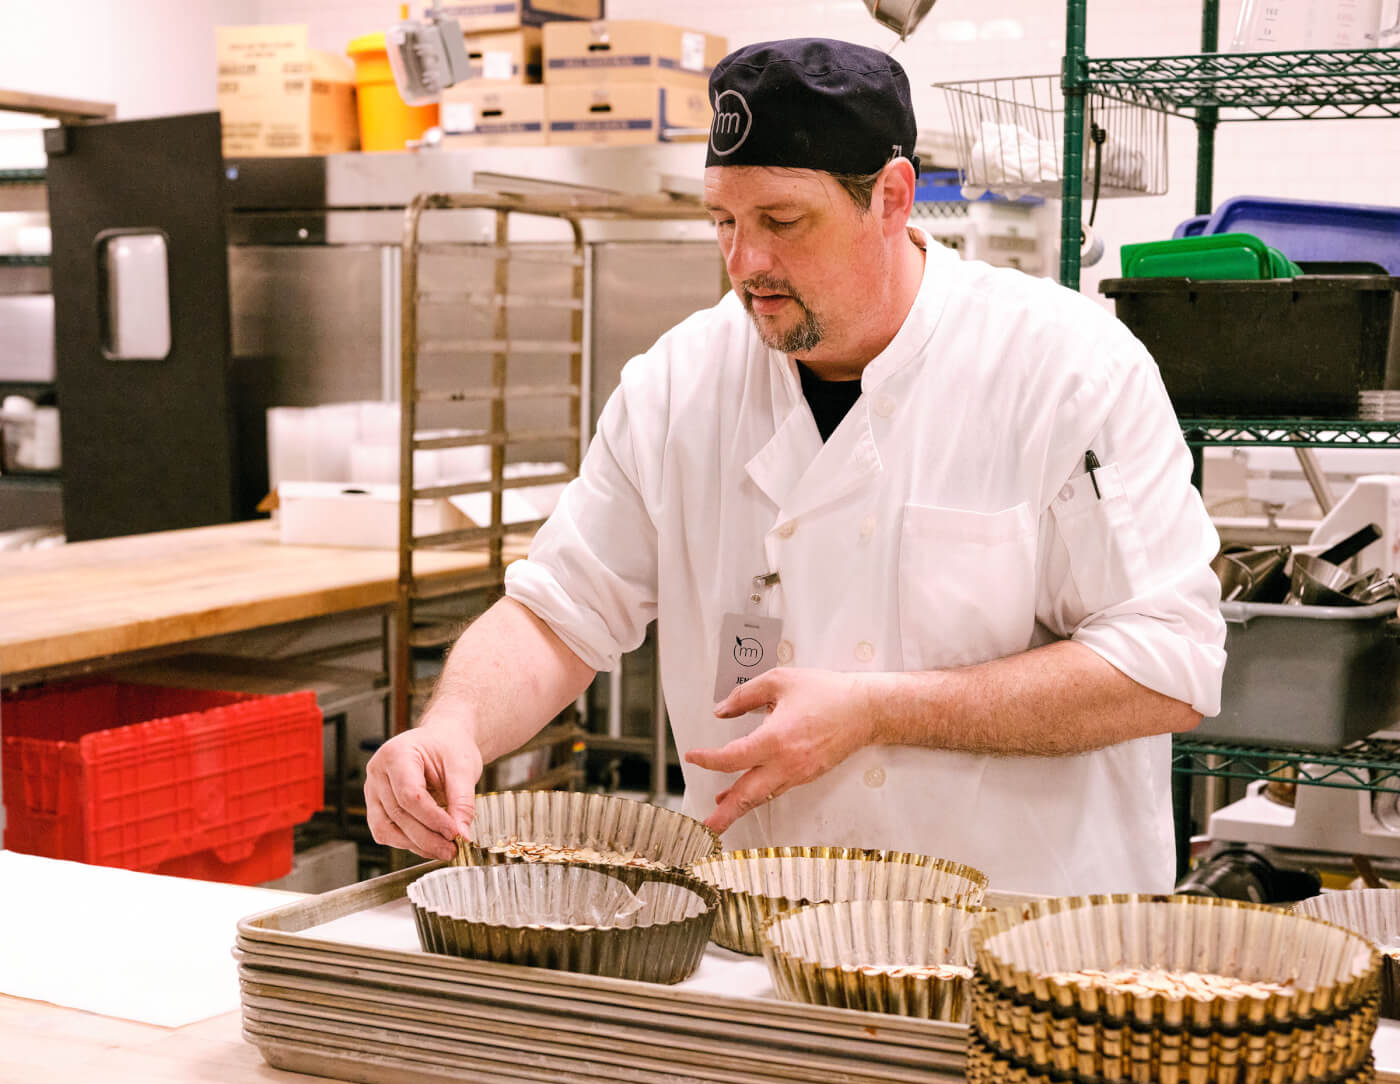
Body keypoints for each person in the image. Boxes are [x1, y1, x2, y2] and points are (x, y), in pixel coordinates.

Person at [365, 38, 1226, 896]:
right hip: (766, 936)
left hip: (1022, 944)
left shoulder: (1066, 370)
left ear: (891, 198)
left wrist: (880, 710)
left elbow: (1165, 668)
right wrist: (454, 728)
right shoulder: (679, 384)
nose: (745, 265)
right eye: (724, 222)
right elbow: (560, 613)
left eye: (781, 221)